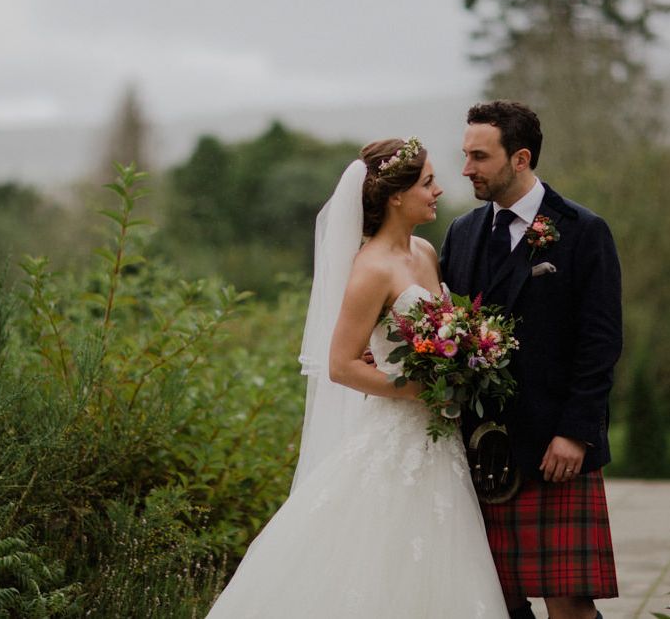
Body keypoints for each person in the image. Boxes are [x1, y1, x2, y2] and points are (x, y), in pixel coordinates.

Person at [206, 139, 509, 618]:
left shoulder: (427, 252)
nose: (439, 190)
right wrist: (419, 389)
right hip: (396, 434)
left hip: (440, 440)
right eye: (428, 182)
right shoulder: (369, 268)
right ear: (396, 196)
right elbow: (341, 364)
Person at [440, 101, 621, 619]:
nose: (467, 168)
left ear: (520, 159)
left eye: (479, 156)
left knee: (569, 605)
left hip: (552, 446)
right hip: (476, 447)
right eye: (465, 155)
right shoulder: (463, 232)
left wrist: (576, 432)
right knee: (495, 600)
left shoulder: (584, 230)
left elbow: (601, 342)